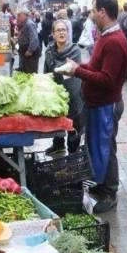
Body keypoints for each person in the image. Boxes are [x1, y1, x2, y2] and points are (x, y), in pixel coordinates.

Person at [58, 0, 127, 213]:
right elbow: (98, 68)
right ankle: (101, 186)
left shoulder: (115, 42)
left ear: (103, 12)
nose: (90, 15)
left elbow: (107, 79)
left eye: (92, 10)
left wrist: (79, 71)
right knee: (99, 147)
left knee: (106, 149)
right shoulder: (106, 36)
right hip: (98, 104)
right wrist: (78, 66)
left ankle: (110, 192)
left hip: (106, 105)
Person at [44, 20, 83, 154]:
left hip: (72, 93)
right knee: (57, 119)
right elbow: (47, 71)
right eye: (58, 30)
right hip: (56, 93)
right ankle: (58, 145)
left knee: (73, 123)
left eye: (64, 30)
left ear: (68, 32)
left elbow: (69, 70)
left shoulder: (75, 49)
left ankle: (73, 152)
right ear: (53, 34)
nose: (61, 32)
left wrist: (56, 69)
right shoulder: (49, 50)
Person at [16, 8, 41, 73]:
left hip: (30, 53)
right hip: (26, 51)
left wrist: (30, 50)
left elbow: (34, 38)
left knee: (31, 72)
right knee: (27, 71)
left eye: (19, 15)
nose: (18, 17)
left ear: (25, 15)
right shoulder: (25, 23)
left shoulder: (29, 23)